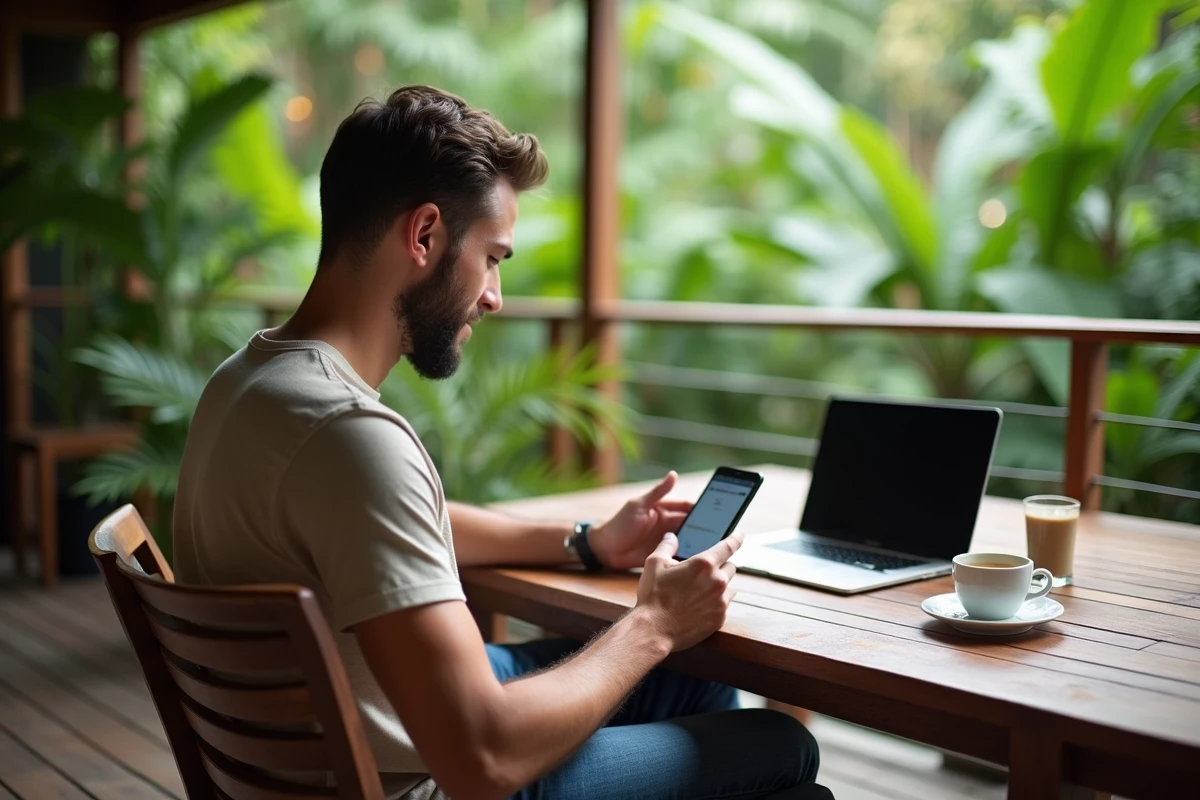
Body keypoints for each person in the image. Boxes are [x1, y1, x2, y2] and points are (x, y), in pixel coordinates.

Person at [174, 85, 826, 800]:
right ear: (424, 236)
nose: (495, 297)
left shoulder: (247, 383)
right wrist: (654, 623)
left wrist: (586, 542)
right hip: (417, 775)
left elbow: (393, 526)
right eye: (492, 257)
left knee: (688, 682)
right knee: (780, 745)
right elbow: (482, 759)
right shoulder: (349, 435)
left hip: (342, 736)